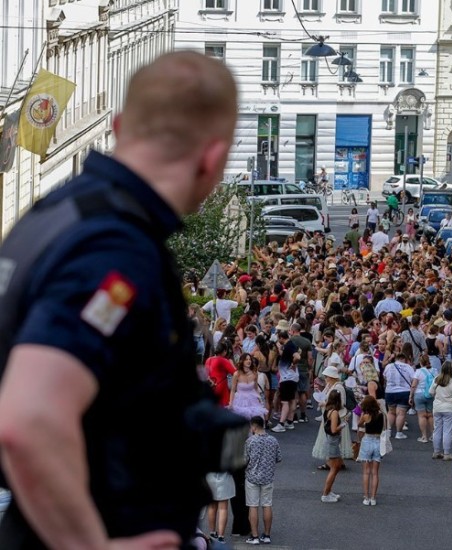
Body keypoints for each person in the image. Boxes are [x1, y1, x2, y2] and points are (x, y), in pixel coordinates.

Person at [0, 51, 244, 549]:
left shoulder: (57, 215)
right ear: (213, 158)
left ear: (117, 127)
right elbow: (28, 420)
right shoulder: (114, 249)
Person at [243, 415, 281, 546]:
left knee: (253, 506)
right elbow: (278, 458)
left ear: (254, 426)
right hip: (268, 477)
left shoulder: (250, 441)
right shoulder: (273, 440)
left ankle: (254, 536)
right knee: (267, 505)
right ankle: (267, 535)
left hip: (252, 477)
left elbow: (244, 460)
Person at [430, 361, 452, 460]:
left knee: (437, 430)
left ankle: (436, 452)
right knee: (447, 431)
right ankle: (447, 453)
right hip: (449, 408)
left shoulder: (436, 379)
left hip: (437, 407)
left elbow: (431, 392)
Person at [356, 395, 384, 506]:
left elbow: (359, 425)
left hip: (367, 440)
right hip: (378, 441)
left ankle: (366, 497)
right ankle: (373, 498)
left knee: (366, 472)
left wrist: (362, 418)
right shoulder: (381, 415)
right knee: (375, 473)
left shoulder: (365, 416)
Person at [321, 390, 347, 503]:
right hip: (333, 442)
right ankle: (325, 494)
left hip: (330, 441)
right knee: (334, 468)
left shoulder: (327, 409)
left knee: (336, 467)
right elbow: (333, 429)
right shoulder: (335, 412)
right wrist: (343, 424)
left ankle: (329, 491)